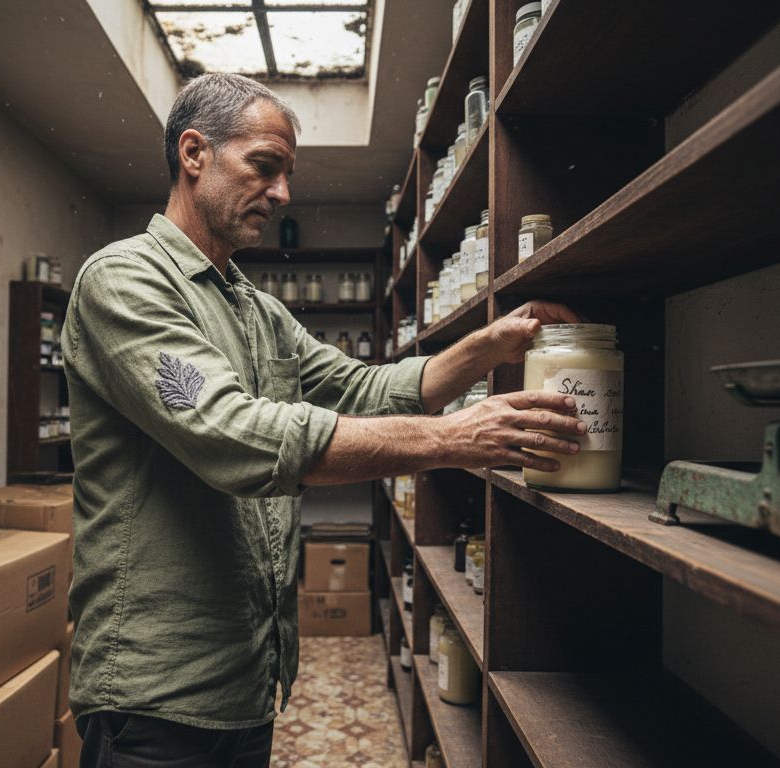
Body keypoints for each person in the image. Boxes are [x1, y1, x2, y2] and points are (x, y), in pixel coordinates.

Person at [63, 73, 583, 768]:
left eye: (287, 174)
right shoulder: (125, 281)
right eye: (264, 167)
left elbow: (366, 387)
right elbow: (232, 436)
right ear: (194, 154)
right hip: (155, 690)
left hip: (247, 677)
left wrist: (487, 346)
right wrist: (453, 439)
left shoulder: (257, 311)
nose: (282, 194)